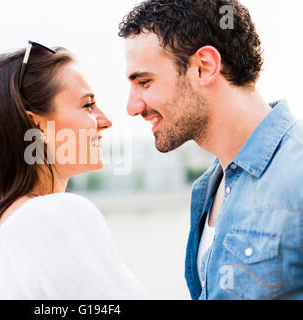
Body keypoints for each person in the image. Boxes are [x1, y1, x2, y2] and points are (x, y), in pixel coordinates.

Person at [118, 0, 303, 300]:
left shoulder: (297, 173)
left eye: (145, 82)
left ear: (204, 67)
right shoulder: (208, 187)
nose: (132, 106)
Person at [0, 41, 148, 299]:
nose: (105, 121)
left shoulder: (13, 229)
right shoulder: (52, 216)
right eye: (87, 105)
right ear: (37, 125)